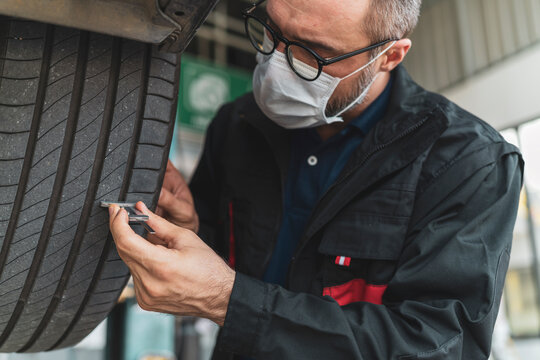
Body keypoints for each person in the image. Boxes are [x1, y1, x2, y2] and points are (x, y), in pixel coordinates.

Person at [108, 0, 524, 358]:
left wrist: (228, 300)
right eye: (271, 30)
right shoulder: (237, 125)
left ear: (390, 56)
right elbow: (226, 259)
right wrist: (191, 231)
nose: (277, 65)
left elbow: (435, 346)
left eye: (314, 53)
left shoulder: (469, 162)